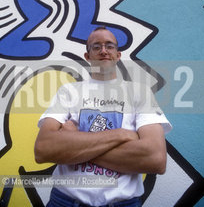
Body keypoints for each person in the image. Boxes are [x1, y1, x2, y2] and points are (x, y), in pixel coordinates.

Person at [34, 26, 172, 207]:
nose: (104, 51)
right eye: (96, 47)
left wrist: (73, 143)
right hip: (65, 202)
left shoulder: (139, 92)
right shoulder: (68, 92)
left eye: (109, 46)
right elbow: (43, 150)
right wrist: (120, 135)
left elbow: (156, 159)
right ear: (87, 56)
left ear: (118, 54)